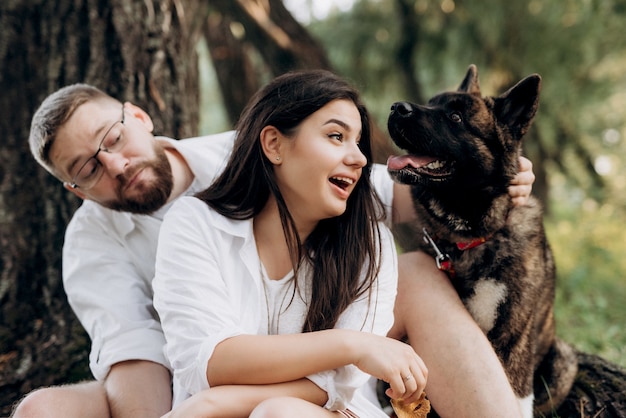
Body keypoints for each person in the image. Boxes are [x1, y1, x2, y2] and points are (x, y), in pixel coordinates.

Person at [14, 69, 534, 417]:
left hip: (309, 376)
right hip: (183, 376)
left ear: (140, 118)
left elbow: (392, 189)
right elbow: (140, 358)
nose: (116, 164)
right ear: (73, 189)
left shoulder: (245, 156)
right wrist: (200, 408)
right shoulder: (104, 243)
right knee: (41, 410)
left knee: (416, 273)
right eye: (88, 168)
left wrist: (497, 174)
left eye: (113, 139)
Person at [153, 69, 428, 417]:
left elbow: (335, 386)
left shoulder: (370, 246)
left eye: (358, 142)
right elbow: (208, 363)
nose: (359, 158)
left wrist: (214, 403)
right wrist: (351, 344)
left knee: (278, 414)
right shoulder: (195, 223)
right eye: (335, 136)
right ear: (273, 144)